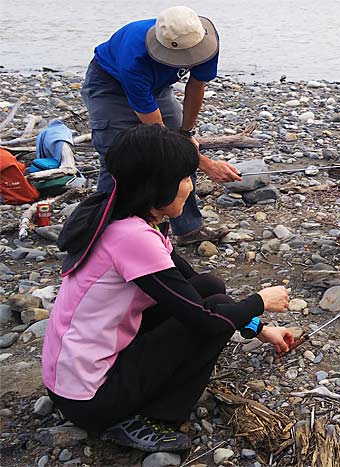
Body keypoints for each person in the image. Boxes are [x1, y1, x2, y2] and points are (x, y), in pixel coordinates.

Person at [42, 125, 293, 452]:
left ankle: (135, 402)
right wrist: (260, 301)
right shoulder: (134, 239)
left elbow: (190, 286)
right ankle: (149, 418)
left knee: (208, 286)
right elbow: (204, 319)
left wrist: (259, 329)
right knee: (210, 316)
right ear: (156, 186)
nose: (190, 188)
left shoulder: (121, 215)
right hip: (89, 399)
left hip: (69, 382)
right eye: (186, 179)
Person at [81, 5, 240, 245]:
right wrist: (206, 164)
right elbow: (159, 138)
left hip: (158, 87)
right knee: (116, 157)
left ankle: (188, 230)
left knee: (183, 147)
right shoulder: (133, 57)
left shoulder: (205, 37)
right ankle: (99, 234)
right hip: (110, 86)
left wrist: (187, 134)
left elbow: (196, 86)